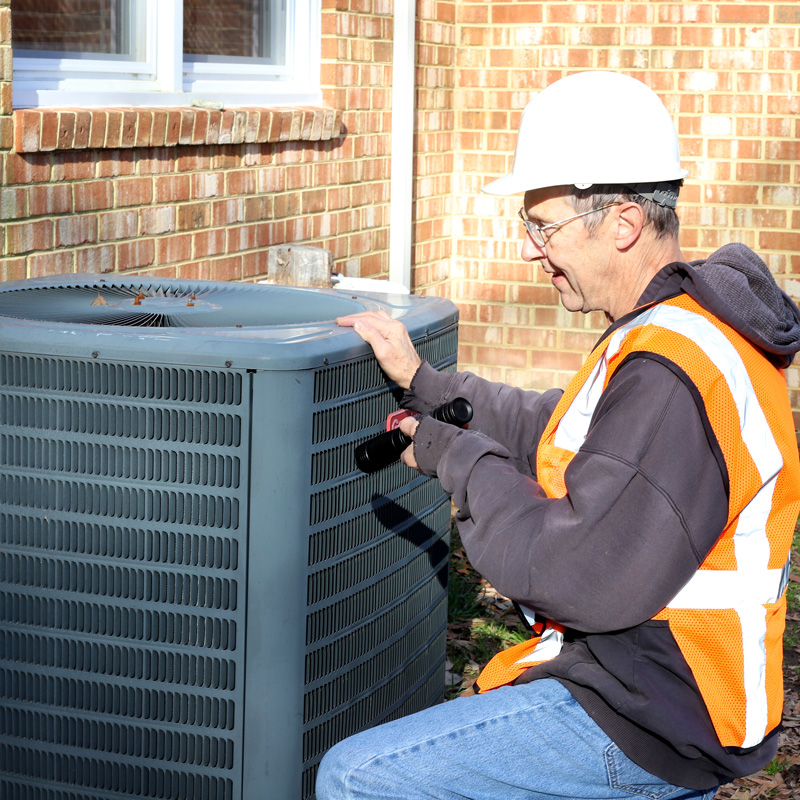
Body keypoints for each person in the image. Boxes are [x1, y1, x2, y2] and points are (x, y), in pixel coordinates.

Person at [316, 71, 800, 800]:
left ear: (623, 224)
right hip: (659, 684)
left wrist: (456, 458)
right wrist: (428, 383)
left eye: (543, 227)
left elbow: (580, 574)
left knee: (356, 779)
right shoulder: (676, 328)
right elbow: (560, 431)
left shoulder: (673, 370)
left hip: (656, 710)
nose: (531, 251)